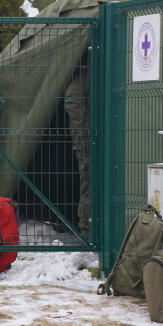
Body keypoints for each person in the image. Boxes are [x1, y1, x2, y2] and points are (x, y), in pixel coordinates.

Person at [64, 56, 90, 238]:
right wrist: (84, 132)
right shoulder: (83, 76)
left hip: (85, 136)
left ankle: (87, 227)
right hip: (86, 138)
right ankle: (87, 229)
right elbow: (73, 99)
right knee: (88, 177)